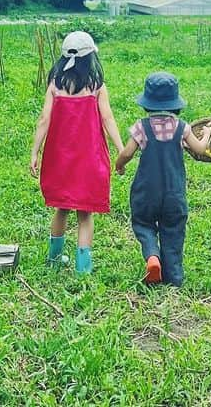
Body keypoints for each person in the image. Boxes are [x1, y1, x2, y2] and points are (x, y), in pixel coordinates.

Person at [30, 30, 125, 274]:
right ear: (90, 58)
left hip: (59, 159)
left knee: (61, 207)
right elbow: (108, 118)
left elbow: (44, 119)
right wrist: (121, 149)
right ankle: (83, 268)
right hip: (89, 158)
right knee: (85, 214)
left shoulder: (55, 85)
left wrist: (35, 152)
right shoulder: (96, 86)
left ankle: (54, 260)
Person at [114, 72, 211, 287]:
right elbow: (201, 149)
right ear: (175, 104)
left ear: (147, 104)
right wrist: (207, 133)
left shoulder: (141, 127)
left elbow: (127, 153)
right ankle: (174, 278)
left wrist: (119, 165)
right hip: (173, 193)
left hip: (145, 191)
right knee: (174, 230)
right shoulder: (182, 128)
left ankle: (152, 256)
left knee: (143, 223)